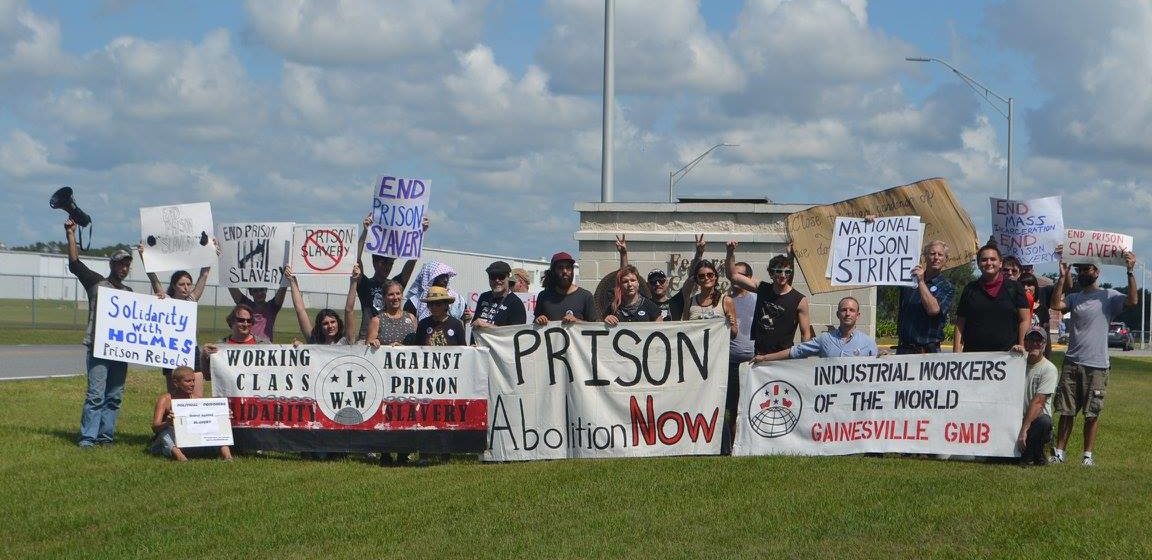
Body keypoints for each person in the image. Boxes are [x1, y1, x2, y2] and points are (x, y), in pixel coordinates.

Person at [1048, 253, 1138, 466]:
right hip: (1072, 361)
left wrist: (1130, 271)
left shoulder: (1109, 295)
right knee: (1066, 411)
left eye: (1087, 269)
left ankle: (1087, 456)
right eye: (1080, 270)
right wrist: (1062, 277)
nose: (1082, 273)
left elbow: (1133, 301)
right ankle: (1060, 452)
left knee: (1092, 413)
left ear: (1097, 272)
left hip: (1097, 365)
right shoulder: (1075, 298)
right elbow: (1055, 305)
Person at [66, 218, 134, 448]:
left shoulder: (129, 292)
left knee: (114, 396)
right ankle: (87, 438)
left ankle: (106, 437)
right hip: (97, 347)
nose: (123, 268)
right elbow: (75, 264)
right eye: (119, 264)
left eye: (127, 265)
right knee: (95, 395)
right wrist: (71, 234)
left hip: (121, 351)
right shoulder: (96, 282)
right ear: (112, 265)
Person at [138, 242, 215, 394]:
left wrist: (211, 251)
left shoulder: (192, 300)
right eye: (181, 284)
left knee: (197, 396)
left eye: (188, 284)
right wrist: (143, 255)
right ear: (174, 286)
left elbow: (204, 274)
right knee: (176, 397)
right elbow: (153, 278)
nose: (186, 287)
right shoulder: (166, 300)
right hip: (171, 350)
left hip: (191, 350)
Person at [726, 241, 812, 356]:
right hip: (760, 354)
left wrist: (803, 356)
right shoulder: (763, 288)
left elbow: (805, 334)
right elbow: (733, 276)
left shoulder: (799, 300)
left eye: (787, 272)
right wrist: (730, 252)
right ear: (771, 273)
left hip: (783, 357)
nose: (783, 275)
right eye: (778, 271)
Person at [355, 213, 425, 340]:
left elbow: (411, 262)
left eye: (391, 263)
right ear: (375, 263)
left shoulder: (395, 285)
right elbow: (356, 260)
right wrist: (365, 232)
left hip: (391, 338)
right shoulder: (365, 284)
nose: (387, 267)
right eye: (383, 263)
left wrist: (419, 234)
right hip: (367, 337)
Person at [953, 244, 1029, 353]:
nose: (989, 263)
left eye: (993, 259)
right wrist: (956, 352)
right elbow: (960, 323)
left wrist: (1022, 347)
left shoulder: (1015, 288)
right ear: (978, 264)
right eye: (984, 260)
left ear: (1000, 263)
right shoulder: (970, 289)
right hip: (974, 357)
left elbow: (1024, 320)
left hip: (1008, 357)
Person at [149, 366, 233, 462]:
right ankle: (181, 458)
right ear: (176, 383)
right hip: (171, 442)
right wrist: (167, 422)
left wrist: (223, 417)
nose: (192, 384)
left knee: (218, 427)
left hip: (192, 440)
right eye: (188, 381)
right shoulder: (165, 399)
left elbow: (206, 422)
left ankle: (228, 457)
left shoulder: (197, 400)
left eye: (193, 380)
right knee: (166, 432)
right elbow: (155, 428)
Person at [754, 297, 877, 361]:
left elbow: (879, 371)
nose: (848, 313)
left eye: (852, 310)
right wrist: (765, 358)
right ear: (838, 314)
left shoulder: (868, 343)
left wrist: (888, 358)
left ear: (858, 315)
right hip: (830, 402)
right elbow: (795, 351)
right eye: (844, 310)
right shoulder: (825, 339)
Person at [896, 240, 955, 354]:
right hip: (904, 349)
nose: (936, 257)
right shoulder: (908, 281)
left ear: (945, 259)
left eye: (940, 254)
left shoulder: (947, 287)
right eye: (932, 254)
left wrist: (921, 282)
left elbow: (933, 310)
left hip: (928, 351)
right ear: (925, 257)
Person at [723, 260, 757, 454]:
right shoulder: (725, 300)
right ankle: (732, 448)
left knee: (752, 406)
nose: (736, 280)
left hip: (753, 362)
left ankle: (751, 445)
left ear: (749, 279)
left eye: (741, 276)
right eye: (734, 276)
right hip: (729, 362)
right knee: (732, 408)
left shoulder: (757, 298)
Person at [284, 263, 359, 345]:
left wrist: (354, 281)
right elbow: (300, 310)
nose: (330, 326)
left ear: (338, 323)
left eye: (333, 322)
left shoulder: (347, 341)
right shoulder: (314, 341)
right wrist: (291, 280)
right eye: (325, 323)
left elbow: (349, 310)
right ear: (320, 327)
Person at [614, 233, 684, 320]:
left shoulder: (676, 301)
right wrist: (623, 254)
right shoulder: (645, 302)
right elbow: (626, 276)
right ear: (647, 285)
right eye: (653, 281)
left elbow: (692, 281)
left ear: (667, 282)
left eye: (661, 280)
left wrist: (699, 254)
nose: (657, 284)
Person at [1018, 326, 1058, 466]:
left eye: (1038, 340)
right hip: (1016, 417)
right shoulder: (1015, 362)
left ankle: (1032, 453)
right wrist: (1009, 355)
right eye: (1031, 339)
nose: (1035, 343)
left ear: (1044, 345)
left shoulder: (1049, 369)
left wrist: (1024, 429)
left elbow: (1039, 402)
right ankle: (1035, 453)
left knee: (1044, 422)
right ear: (1024, 342)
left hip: (1035, 420)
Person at [534, 251, 599, 324]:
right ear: (553, 271)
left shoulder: (586, 296)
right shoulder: (543, 296)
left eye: (568, 268)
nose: (565, 271)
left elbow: (594, 327)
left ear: (572, 271)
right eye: (560, 268)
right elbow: (534, 324)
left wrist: (577, 322)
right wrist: (539, 320)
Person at [470, 261, 528, 339]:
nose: (497, 280)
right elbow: (475, 325)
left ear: (508, 278)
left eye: (501, 276)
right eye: (493, 277)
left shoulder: (515, 303)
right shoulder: (484, 297)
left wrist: (488, 326)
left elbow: (515, 336)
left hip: (500, 350)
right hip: (479, 348)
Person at [367, 280, 417, 346]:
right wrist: (373, 342)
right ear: (384, 297)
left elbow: (418, 344)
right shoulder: (376, 321)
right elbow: (368, 346)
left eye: (398, 293)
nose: (395, 297)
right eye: (391, 294)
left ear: (402, 295)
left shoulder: (411, 317)